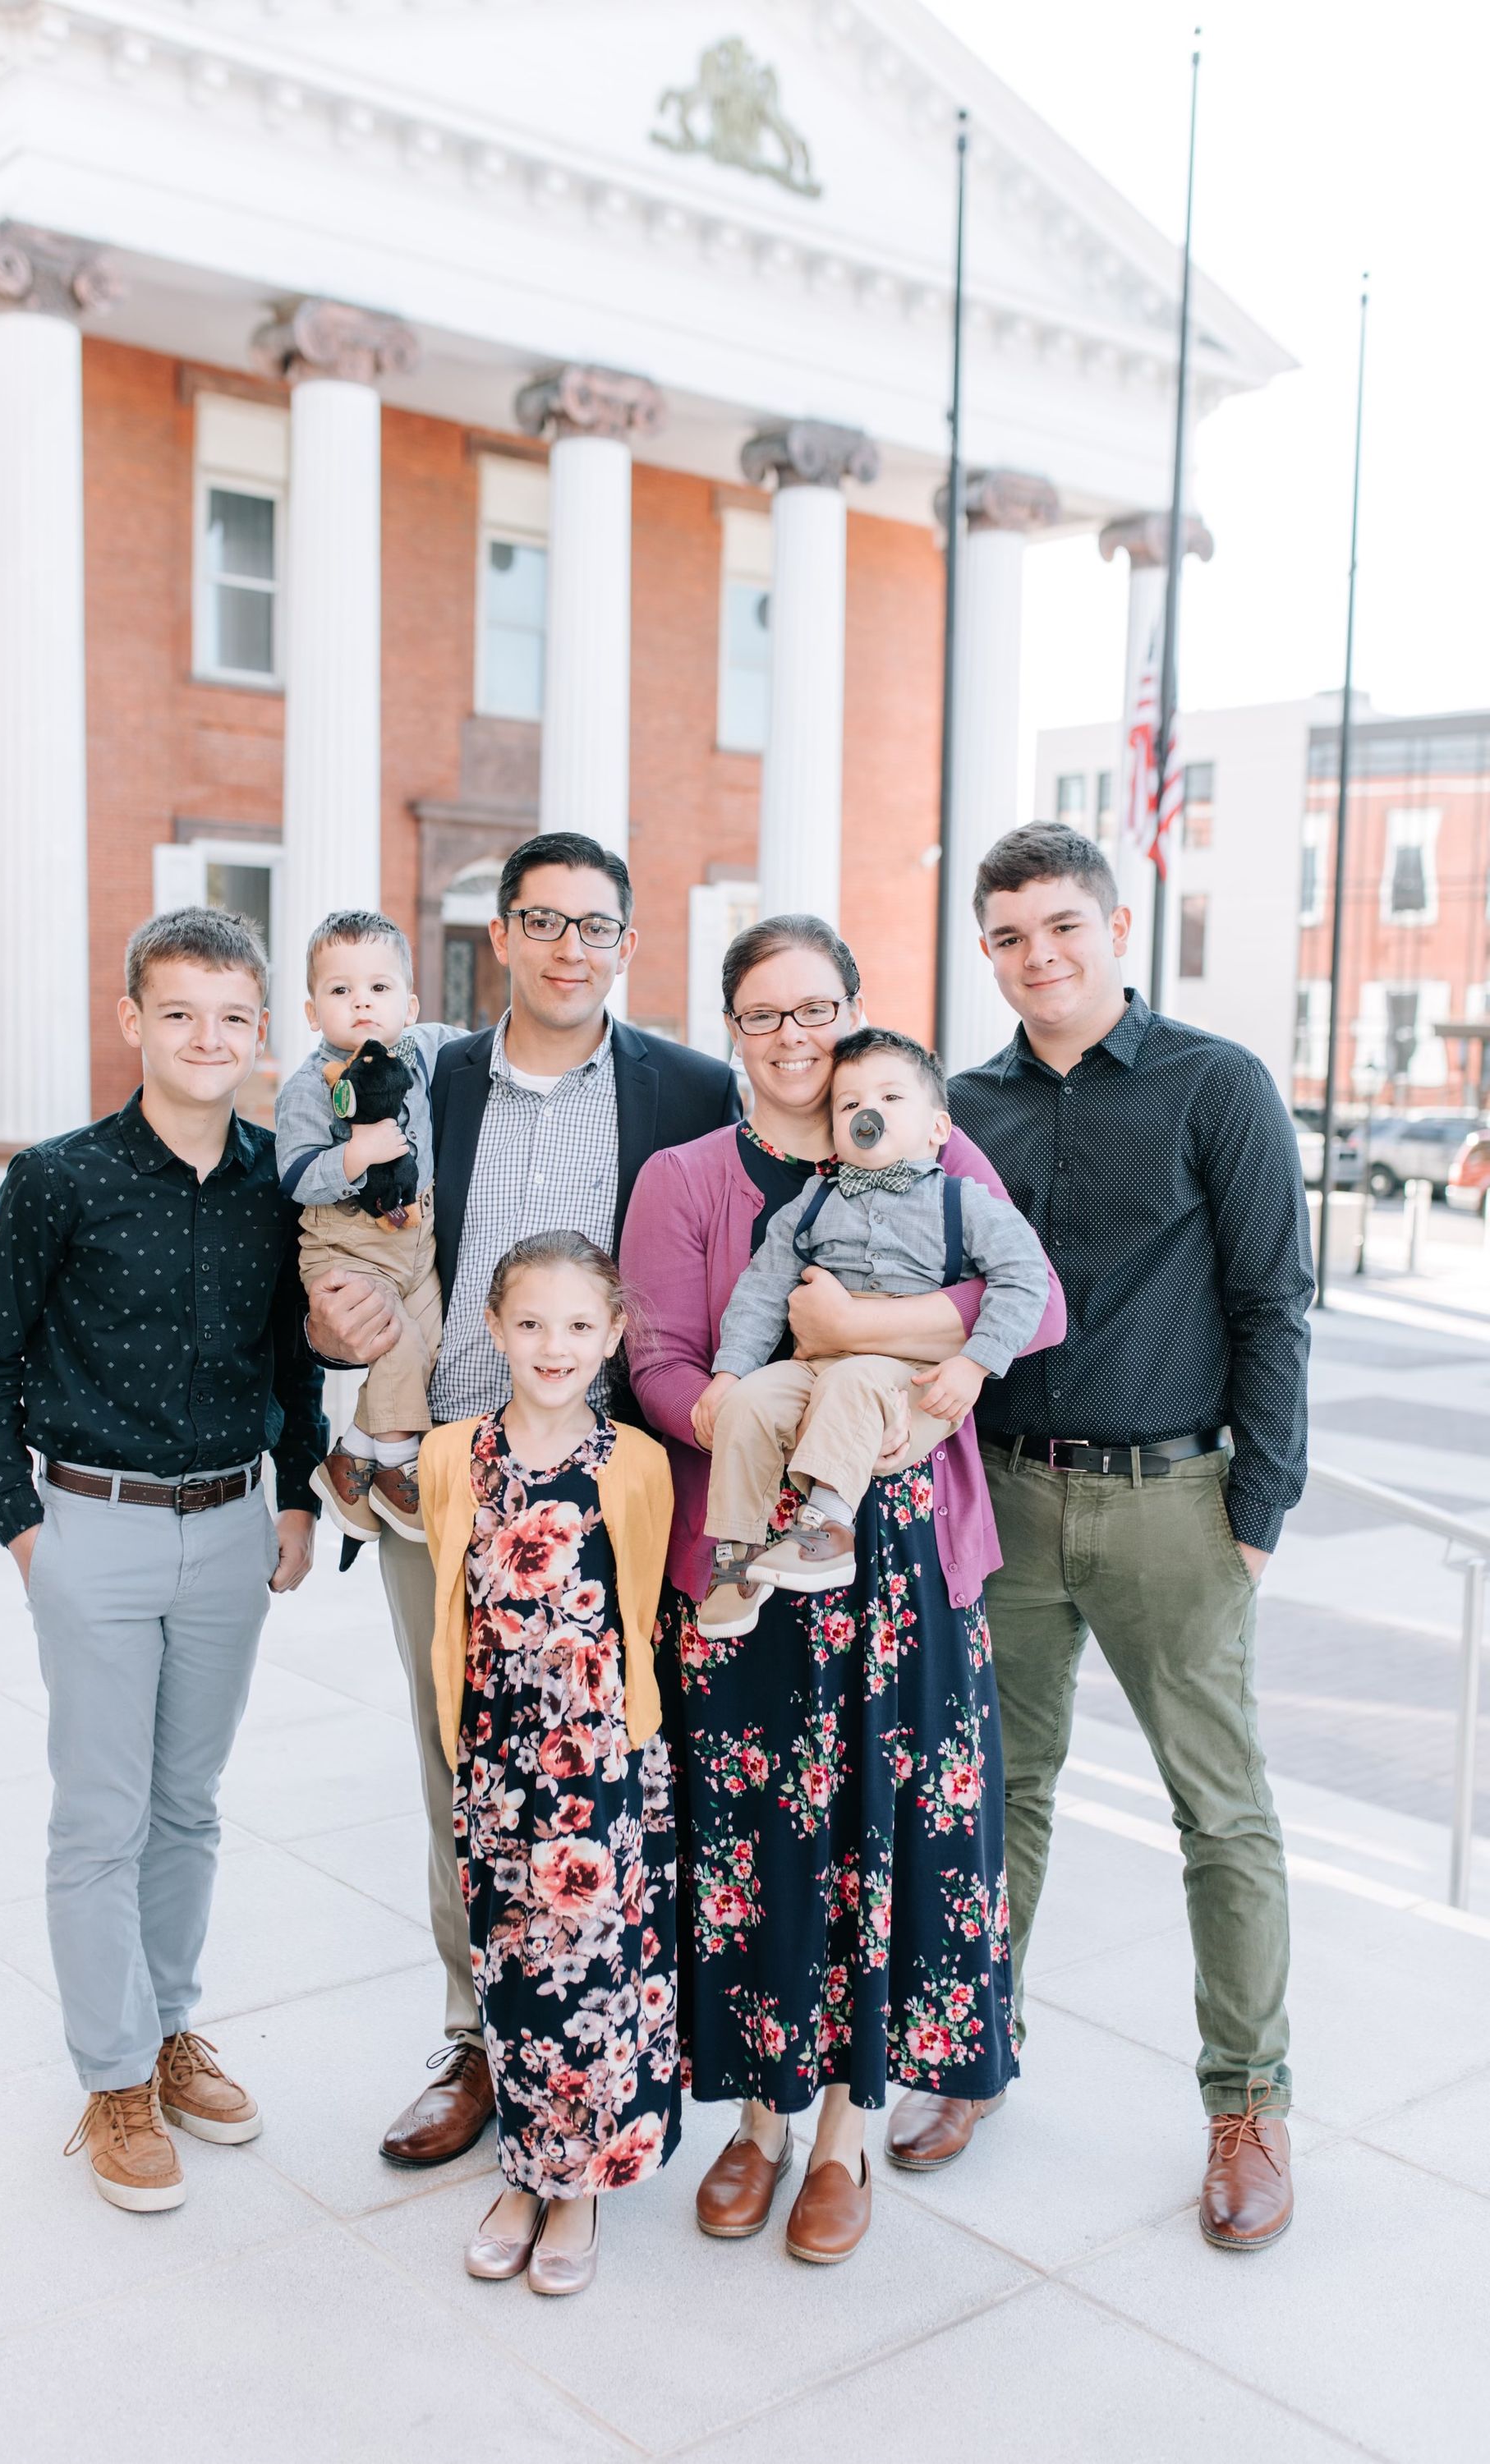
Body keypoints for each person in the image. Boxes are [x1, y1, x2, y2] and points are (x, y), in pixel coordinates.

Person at [619, 916, 1065, 2264]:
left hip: (908, 1555)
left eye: (817, 1009)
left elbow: (1031, 1303)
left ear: (853, 1012)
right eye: (765, 1015)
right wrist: (769, 1425)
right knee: (760, 1844)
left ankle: (842, 2136)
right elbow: (661, 1361)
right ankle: (758, 2122)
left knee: (884, 1836)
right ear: (734, 1033)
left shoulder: (925, 1137)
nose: (795, 1037)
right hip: (752, 1553)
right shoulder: (689, 1177)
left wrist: (855, 1337)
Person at [304, 831, 740, 2171]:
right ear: (498, 937)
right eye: (542, 922)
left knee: (619, 1768)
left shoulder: (688, 1087)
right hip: (438, 1483)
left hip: (614, 1494)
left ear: (627, 947)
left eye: (596, 926)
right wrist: (327, 1333)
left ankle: (617, 2038)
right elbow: (324, 1229)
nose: (569, 948)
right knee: (459, 1765)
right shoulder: (420, 1072)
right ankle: (480, 2041)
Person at [943, 821, 1313, 2252]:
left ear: (1114, 928)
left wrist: (1258, 1514)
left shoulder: (1214, 1083)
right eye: (1011, 936)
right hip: (1011, 1495)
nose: (1040, 957)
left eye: (1062, 929)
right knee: (998, 1792)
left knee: (1221, 1813)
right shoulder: (964, 1102)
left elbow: (1276, 1302)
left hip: (1177, 1504)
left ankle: (1250, 2104)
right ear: (988, 950)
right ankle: (976, 2043)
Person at [0, 908, 325, 2213]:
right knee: (99, 1818)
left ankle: (167, 2027)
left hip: (231, 1528)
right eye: (179, 1013)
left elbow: (294, 1365)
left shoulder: (288, 1182)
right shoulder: (59, 1179)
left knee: (188, 1806)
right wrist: (26, 1533)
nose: (206, 1037)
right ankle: (111, 2076)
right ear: (133, 1023)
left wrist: (297, 1502)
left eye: (231, 1017)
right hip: (91, 1527)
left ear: (260, 1033)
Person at [420, 1231, 679, 2295]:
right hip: (496, 1762)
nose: (554, 1344)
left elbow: (645, 1609)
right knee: (511, 1968)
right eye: (530, 1323)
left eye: (579, 1324)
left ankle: (579, 2187)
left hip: (601, 1765)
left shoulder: (637, 1466)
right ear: (493, 1329)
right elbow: (451, 1599)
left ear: (614, 1334)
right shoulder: (452, 1457)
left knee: (593, 1976)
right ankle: (524, 2170)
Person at [692, 1026, 1051, 1630]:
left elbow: (1026, 1280)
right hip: (816, 1367)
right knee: (749, 1402)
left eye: (889, 1098)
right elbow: (759, 1292)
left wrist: (975, 1363)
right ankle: (736, 1555)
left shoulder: (966, 1204)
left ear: (938, 1129)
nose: (868, 1112)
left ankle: (827, 1529)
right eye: (850, 1103)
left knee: (854, 1381)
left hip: (911, 1375)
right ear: (835, 1131)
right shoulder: (811, 1202)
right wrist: (729, 1375)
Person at [274, 908, 462, 1542]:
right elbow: (297, 1175)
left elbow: (495, 1046)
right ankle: (395, 1466)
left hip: (417, 1233)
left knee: (432, 1342)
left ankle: (351, 1455)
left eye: (379, 989)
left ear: (408, 1005)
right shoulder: (308, 1086)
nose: (361, 1004)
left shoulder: (428, 1048)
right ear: (311, 1011)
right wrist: (357, 1154)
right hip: (346, 1242)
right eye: (340, 990)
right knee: (396, 1346)